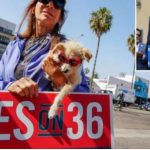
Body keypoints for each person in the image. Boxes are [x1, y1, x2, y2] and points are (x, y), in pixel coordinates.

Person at [0, 0, 90, 98]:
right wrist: (10, 86)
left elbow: (85, 94)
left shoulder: (67, 49)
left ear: (60, 17)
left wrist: (60, 80)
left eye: (58, 3)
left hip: (44, 112)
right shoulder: (14, 45)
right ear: (34, 8)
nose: (50, 5)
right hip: (6, 112)